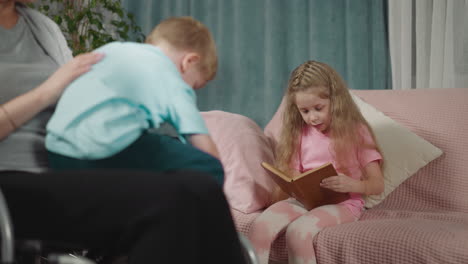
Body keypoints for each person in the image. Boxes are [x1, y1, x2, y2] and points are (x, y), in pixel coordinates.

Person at [0, 1, 246, 263]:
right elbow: (60, 87)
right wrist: (47, 91)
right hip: (12, 180)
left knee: (201, 186)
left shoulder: (41, 28)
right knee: (171, 201)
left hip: (65, 170)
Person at [45, 16, 224, 184]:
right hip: (98, 151)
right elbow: (203, 146)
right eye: (194, 85)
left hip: (57, 149)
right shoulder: (172, 80)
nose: (190, 91)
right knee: (208, 165)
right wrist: (215, 166)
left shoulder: (111, 50)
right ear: (189, 61)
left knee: (147, 140)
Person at [247, 60, 384, 264]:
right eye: (305, 111)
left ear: (335, 101)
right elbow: (293, 170)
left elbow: (377, 184)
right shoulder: (299, 133)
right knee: (260, 227)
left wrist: (353, 184)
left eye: (318, 108)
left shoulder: (357, 131)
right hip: (306, 200)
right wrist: (296, 181)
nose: (312, 118)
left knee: (298, 231)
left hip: (344, 203)